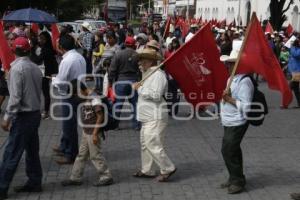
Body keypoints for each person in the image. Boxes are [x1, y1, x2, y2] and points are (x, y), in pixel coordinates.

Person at [0, 37, 43, 200]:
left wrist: (7, 117)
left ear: (13, 50)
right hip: (34, 114)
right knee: (32, 151)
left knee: (11, 153)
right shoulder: (35, 68)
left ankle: (2, 186)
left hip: (24, 115)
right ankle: (35, 181)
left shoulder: (17, 70)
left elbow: (15, 97)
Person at [132, 48, 176, 182]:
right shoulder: (148, 73)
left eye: (143, 59)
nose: (140, 62)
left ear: (151, 61)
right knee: (145, 143)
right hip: (147, 116)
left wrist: (140, 88)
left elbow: (156, 95)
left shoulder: (158, 75)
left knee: (152, 143)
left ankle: (167, 167)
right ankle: (147, 169)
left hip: (155, 115)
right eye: (140, 59)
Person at [61, 80, 113, 187]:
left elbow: (100, 116)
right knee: (81, 155)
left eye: (76, 93)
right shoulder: (85, 97)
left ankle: (106, 176)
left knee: (95, 155)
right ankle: (75, 177)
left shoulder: (94, 98)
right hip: (86, 131)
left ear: (81, 90)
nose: (76, 96)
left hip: (93, 132)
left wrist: (94, 134)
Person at [219, 40, 254, 194]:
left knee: (228, 150)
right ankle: (235, 177)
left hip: (237, 122)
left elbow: (246, 107)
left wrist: (229, 100)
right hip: (228, 120)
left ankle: (238, 181)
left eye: (231, 64)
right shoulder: (231, 79)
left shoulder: (245, 82)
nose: (228, 66)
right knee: (231, 150)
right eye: (228, 64)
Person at [52, 34, 86, 165]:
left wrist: (54, 80)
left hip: (69, 94)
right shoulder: (79, 56)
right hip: (78, 91)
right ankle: (64, 146)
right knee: (68, 123)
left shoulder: (67, 60)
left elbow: (61, 81)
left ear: (61, 47)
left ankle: (71, 154)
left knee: (68, 125)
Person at [108, 36, 141, 130]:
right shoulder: (137, 55)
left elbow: (112, 70)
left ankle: (115, 125)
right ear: (134, 45)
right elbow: (140, 70)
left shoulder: (118, 54)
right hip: (134, 82)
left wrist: (110, 83)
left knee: (118, 104)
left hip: (121, 82)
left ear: (125, 44)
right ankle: (136, 125)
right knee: (135, 104)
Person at [34, 31, 59, 119]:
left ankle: (45, 111)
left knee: (44, 93)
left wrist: (32, 52)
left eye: (41, 39)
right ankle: (44, 110)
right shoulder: (48, 48)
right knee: (44, 92)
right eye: (39, 38)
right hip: (45, 73)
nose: (39, 40)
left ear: (45, 40)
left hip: (44, 74)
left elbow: (38, 60)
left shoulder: (45, 49)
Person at [287, 39, 300, 108]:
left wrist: (292, 47)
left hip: (297, 72)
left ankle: (285, 103)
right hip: (294, 71)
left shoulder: (296, 50)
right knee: (295, 89)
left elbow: (296, 54)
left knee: (290, 88)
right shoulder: (295, 48)